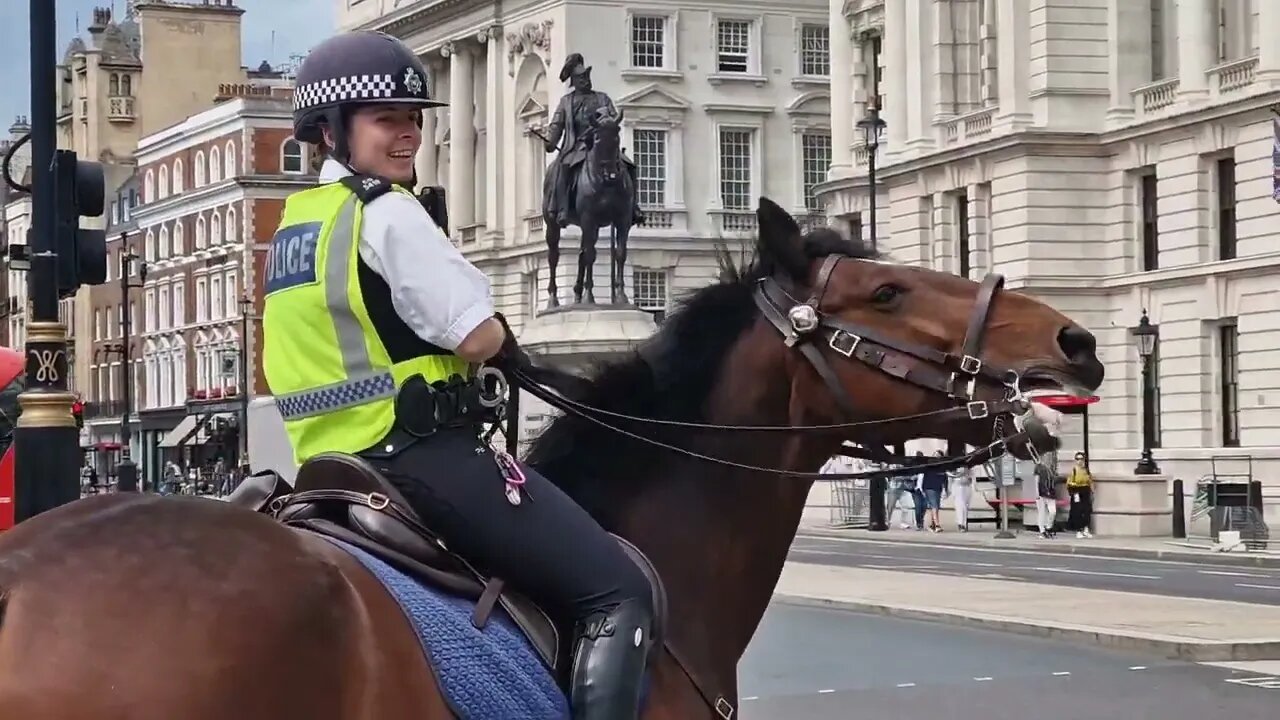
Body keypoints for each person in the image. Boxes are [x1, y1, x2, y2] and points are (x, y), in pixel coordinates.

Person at [264, 31, 655, 719]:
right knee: (617, 591)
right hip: (420, 456)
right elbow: (474, 334)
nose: (408, 135)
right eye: (387, 119)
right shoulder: (384, 212)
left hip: (325, 464)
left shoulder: (296, 225)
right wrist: (501, 339)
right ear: (330, 132)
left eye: (414, 119)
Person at [543, 52, 645, 229]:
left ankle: (633, 207)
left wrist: (607, 124)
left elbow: (613, 118)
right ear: (573, 81)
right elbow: (556, 125)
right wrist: (551, 140)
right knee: (561, 167)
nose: (585, 80)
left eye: (586, 76)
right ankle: (562, 208)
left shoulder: (602, 98)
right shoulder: (566, 102)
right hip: (576, 147)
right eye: (580, 77)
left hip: (602, 144)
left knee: (629, 165)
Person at [1066, 451, 1094, 538]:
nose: (1080, 461)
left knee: (1087, 510)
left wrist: (1092, 492)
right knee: (1077, 511)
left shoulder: (1086, 470)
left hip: (1085, 490)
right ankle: (1078, 530)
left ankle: (1086, 529)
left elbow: (1090, 481)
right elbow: (1069, 483)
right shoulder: (1074, 470)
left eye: (1081, 459)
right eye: (1078, 459)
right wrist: (1074, 489)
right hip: (1076, 491)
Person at [1033, 462, 1058, 539]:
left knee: (1052, 511)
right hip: (1042, 493)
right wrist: (1037, 492)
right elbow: (1036, 480)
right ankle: (1042, 530)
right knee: (1041, 513)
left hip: (1051, 493)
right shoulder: (1038, 467)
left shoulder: (1052, 466)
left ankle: (1048, 527)